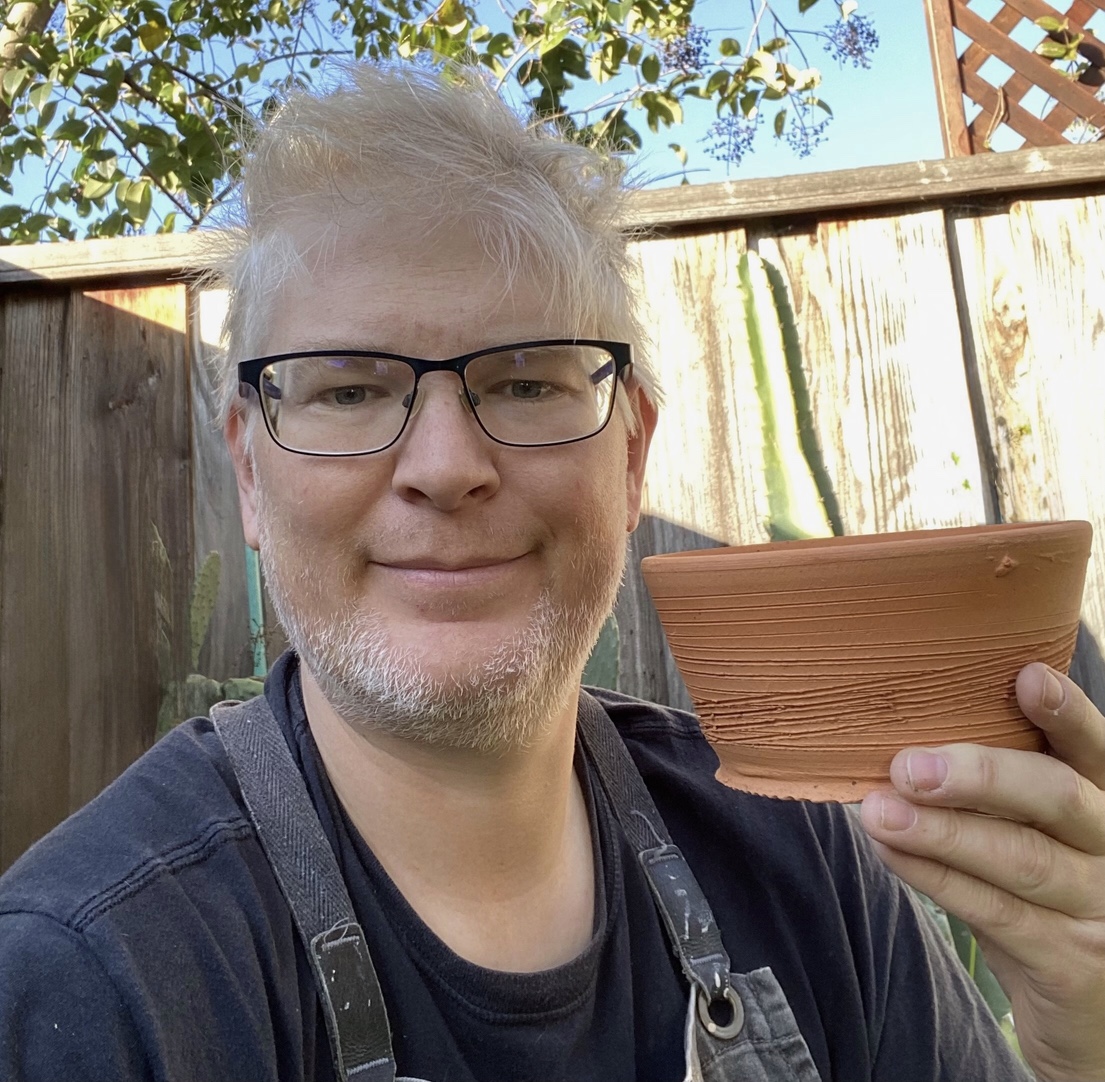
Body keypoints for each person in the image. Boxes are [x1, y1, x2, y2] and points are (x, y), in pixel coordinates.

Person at [1, 62, 1103, 1082]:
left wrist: (1080, 1042)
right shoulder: (89, 979)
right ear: (250, 468)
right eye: (348, 390)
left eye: (527, 383)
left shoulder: (806, 860)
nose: (444, 467)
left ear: (630, 458)